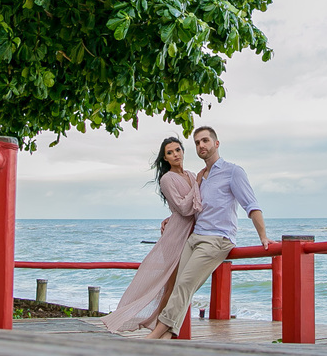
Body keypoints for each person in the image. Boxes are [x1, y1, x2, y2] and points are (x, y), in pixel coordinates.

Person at [144, 126, 269, 339]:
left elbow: (251, 205)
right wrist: (170, 219)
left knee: (184, 285)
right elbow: (192, 207)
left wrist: (263, 237)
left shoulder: (233, 171)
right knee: (179, 289)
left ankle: (153, 337)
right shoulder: (200, 177)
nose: (201, 145)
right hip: (194, 238)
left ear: (216, 143)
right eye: (197, 143)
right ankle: (165, 340)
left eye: (205, 141)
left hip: (217, 239)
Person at [101, 137, 201, 333]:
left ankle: (163, 327)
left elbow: (193, 206)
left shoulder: (191, 174)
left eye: (177, 150)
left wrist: (170, 216)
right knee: (171, 286)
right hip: (175, 238)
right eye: (170, 153)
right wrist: (197, 184)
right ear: (165, 158)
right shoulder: (167, 179)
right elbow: (182, 207)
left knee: (182, 284)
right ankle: (159, 329)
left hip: (191, 234)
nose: (175, 155)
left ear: (183, 151)